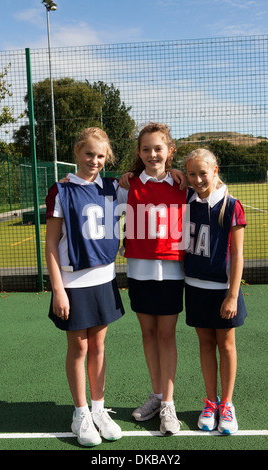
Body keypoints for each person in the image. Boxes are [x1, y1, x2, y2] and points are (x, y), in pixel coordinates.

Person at [45, 127, 125, 447]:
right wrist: (58, 289)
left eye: (101, 156)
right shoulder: (61, 190)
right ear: (77, 151)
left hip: (104, 278)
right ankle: (80, 413)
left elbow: (146, 179)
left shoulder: (112, 187)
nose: (94, 160)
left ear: (107, 159)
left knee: (99, 347)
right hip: (72, 282)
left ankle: (99, 409)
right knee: (79, 348)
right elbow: (51, 244)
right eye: (89, 153)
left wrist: (174, 171)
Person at [119, 122, 187, 435]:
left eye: (158, 148)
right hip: (138, 270)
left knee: (166, 336)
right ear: (139, 152)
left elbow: (210, 184)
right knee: (148, 334)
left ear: (169, 151)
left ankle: (169, 406)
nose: (152, 154)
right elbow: (98, 196)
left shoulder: (182, 185)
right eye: (145, 149)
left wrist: (186, 176)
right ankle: (157, 396)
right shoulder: (128, 185)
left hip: (172, 270)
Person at [183, 148, 247, 435]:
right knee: (205, 345)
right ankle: (210, 401)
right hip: (196, 288)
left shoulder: (232, 205)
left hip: (223, 291)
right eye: (191, 174)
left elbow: (238, 255)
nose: (197, 179)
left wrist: (232, 295)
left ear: (216, 170)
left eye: (202, 173)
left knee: (227, 345)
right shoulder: (187, 199)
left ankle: (228, 404)